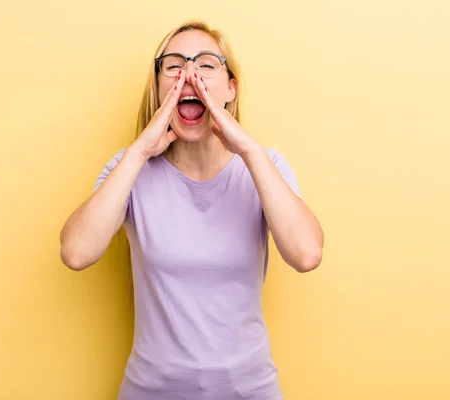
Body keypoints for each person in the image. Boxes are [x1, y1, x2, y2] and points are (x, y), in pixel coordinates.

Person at [59, 20, 324, 400]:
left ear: (230, 88)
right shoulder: (129, 168)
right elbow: (76, 252)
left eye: (205, 64)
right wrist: (138, 152)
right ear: (159, 86)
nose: (189, 75)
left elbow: (306, 254)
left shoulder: (266, 168)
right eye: (174, 65)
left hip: (249, 390)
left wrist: (249, 151)